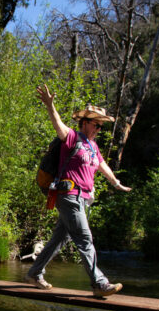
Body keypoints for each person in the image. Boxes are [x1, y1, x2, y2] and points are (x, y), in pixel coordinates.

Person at [27, 84, 131, 296]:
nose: (99, 130)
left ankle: (34, 272)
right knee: (84, 237)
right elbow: (58, 125)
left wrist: (115, 182)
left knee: (60, 238)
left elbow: (102, 166)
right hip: (68, 195)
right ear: (85, 123)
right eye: (97, 125)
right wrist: (50, 105)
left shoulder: (93, 147)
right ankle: (99, 283)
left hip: (83, 199)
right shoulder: (73, 138)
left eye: (101, 126)